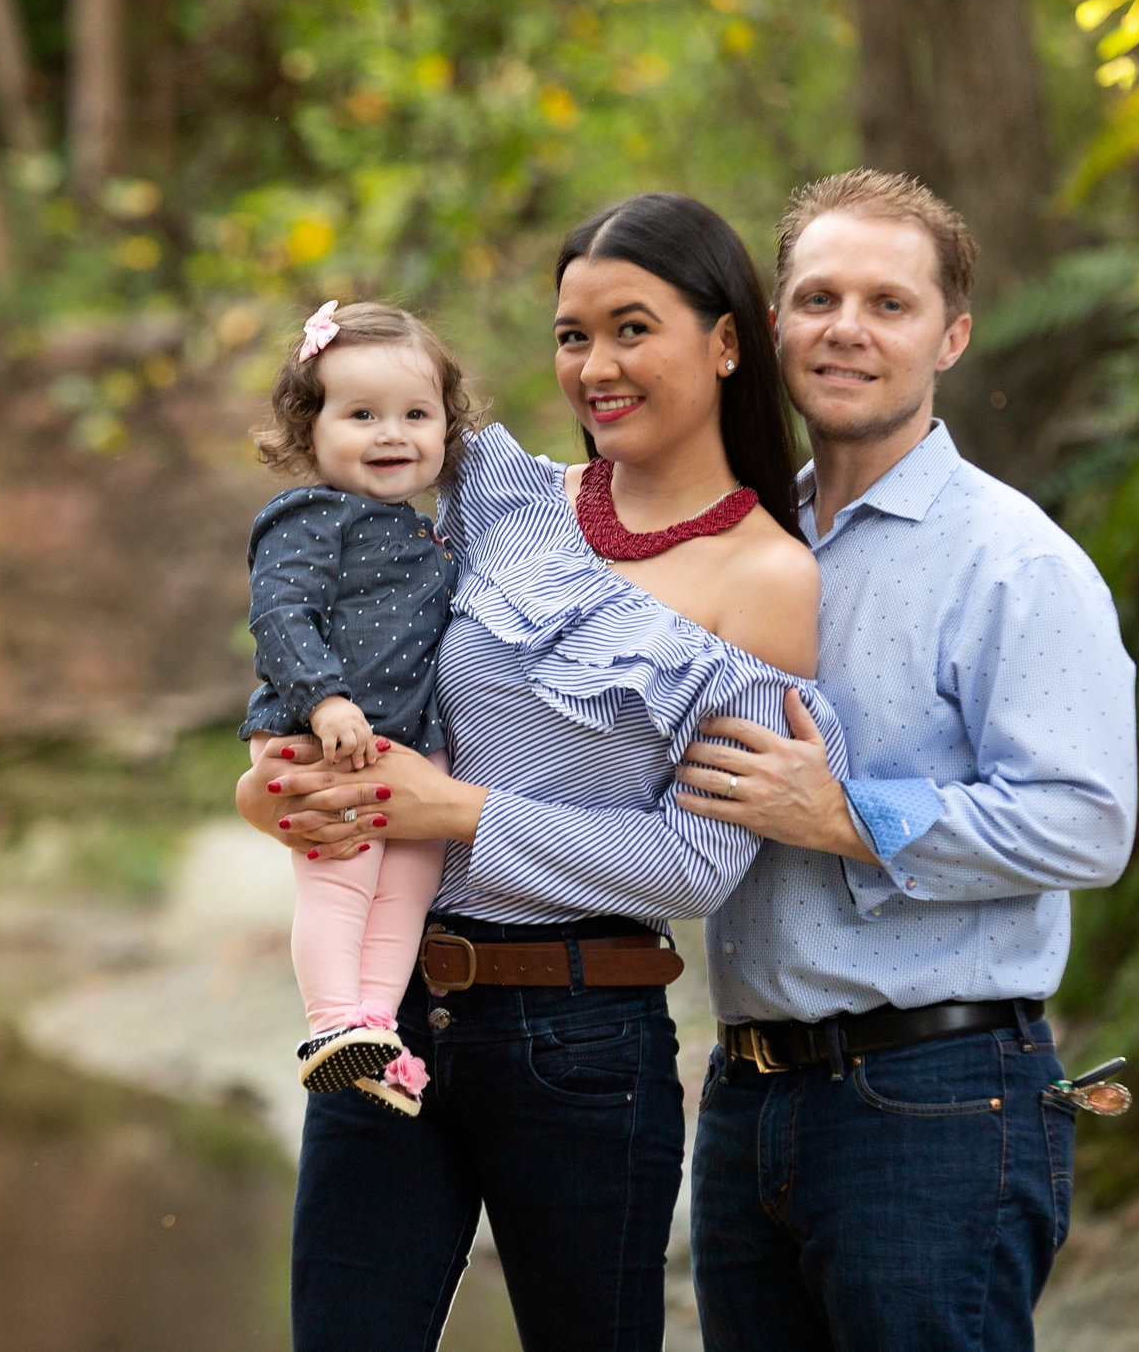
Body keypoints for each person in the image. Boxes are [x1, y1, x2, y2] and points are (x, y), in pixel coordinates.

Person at [235, 193, 843, 1352]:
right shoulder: (497, 498)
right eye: (572, 334)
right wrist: (268, 792)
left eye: (630, 328)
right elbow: (354, 676)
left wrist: (457, 810)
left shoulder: (766, 576)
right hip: (389, 1008)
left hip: (576, 1039)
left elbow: (696, 860)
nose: (594, 365)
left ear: (725, 342)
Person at [670, 169, 1139, 1352]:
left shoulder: (1013, 560)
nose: (846, 328)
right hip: (745, 1099)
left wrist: (849, 814)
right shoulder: (742, 538)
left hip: (933, 1100)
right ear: (770, 325)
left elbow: (1088, 821)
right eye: (818, 296)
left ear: (951, 337)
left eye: (889, 303)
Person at [239, 300, 472, 1115]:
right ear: (311, 433)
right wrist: (325, 698)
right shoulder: (310, 517)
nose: (392, 434)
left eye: (417, 414)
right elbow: (279, 616)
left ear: (448, 426)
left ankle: (374, 1030)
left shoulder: (428, 533)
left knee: (409, 883)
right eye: (362, 414)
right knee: (342, 879)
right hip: (323, 736)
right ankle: (329, 1020)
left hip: (409, 747)